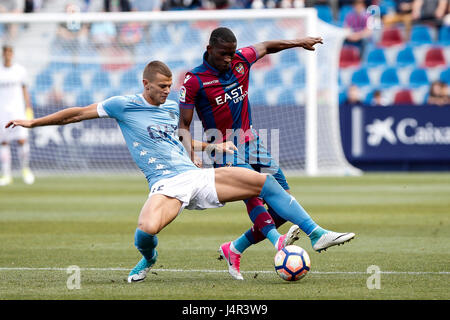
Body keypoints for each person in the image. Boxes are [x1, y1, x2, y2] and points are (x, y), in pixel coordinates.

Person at [5, 61, 355, 283]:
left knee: (263, 183)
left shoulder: (172, 109)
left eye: (170, 86)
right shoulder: (122, 105)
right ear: (146, 84)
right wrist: (33, 122)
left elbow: (177, 140)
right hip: (166, 185)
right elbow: (76, 113)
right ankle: (149, 258)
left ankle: (316, 232)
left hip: (195, 176)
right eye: (162, 87)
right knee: (146, 230)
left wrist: (210, 147)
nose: (168, 91)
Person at [178, 27, 352, 280]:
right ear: (209, 50)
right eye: (223, 54)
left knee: (283, 206)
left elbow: (267, 46)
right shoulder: (194, 80)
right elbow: (183, 125)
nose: (229, 59)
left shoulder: (241, 59)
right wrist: (189, 154)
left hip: (252, 140)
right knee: (255, 190)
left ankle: (234, 248)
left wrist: (298, 41)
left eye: (231, 53)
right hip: (222, 147)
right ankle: (310, 235)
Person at [0, 45, 35, 186]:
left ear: (12, 54)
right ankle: (6, 174)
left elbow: (25, 90)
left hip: (17, 111)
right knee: (3, 142)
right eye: (5, 52)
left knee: (22, 140)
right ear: (3, 54)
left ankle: (25, 169)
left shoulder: (20, 71)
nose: (7, 54)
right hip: (2, 111)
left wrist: (28, 108)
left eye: (10, 52)